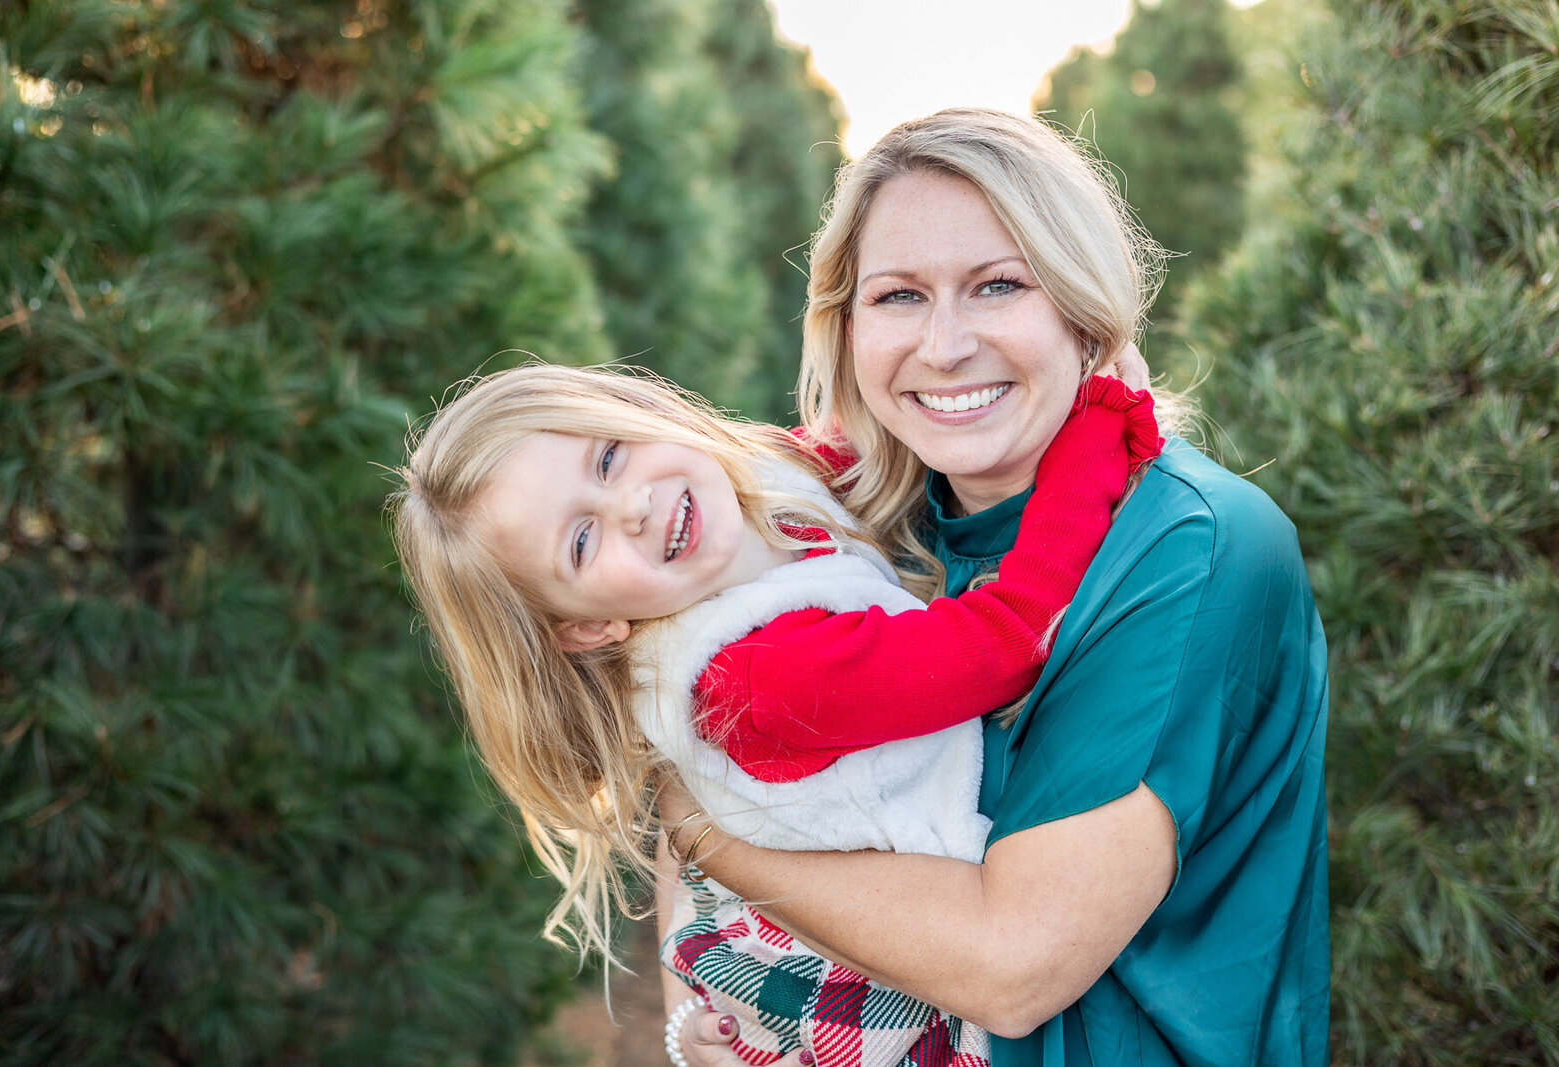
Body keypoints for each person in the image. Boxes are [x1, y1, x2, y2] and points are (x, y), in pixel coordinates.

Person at [658, 107, 1331, 1067]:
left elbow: (1012, 967)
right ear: (845, 327)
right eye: (897, 297)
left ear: (1081, 307)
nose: (943, 345)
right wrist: (697, 1024)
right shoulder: (855, 525)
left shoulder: (1197, 546)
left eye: (997, 285)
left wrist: (697, 824)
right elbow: (675, 691)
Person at [388, 361, 1161, 1067]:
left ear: (644, 408)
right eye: (582, 540)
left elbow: (857, 441)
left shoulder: (756, 483)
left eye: (609, 455)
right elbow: (1004, 640)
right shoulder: (756, 681)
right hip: (901, 1013)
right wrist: (1096, 420)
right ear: (589, 628)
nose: (633, 505)